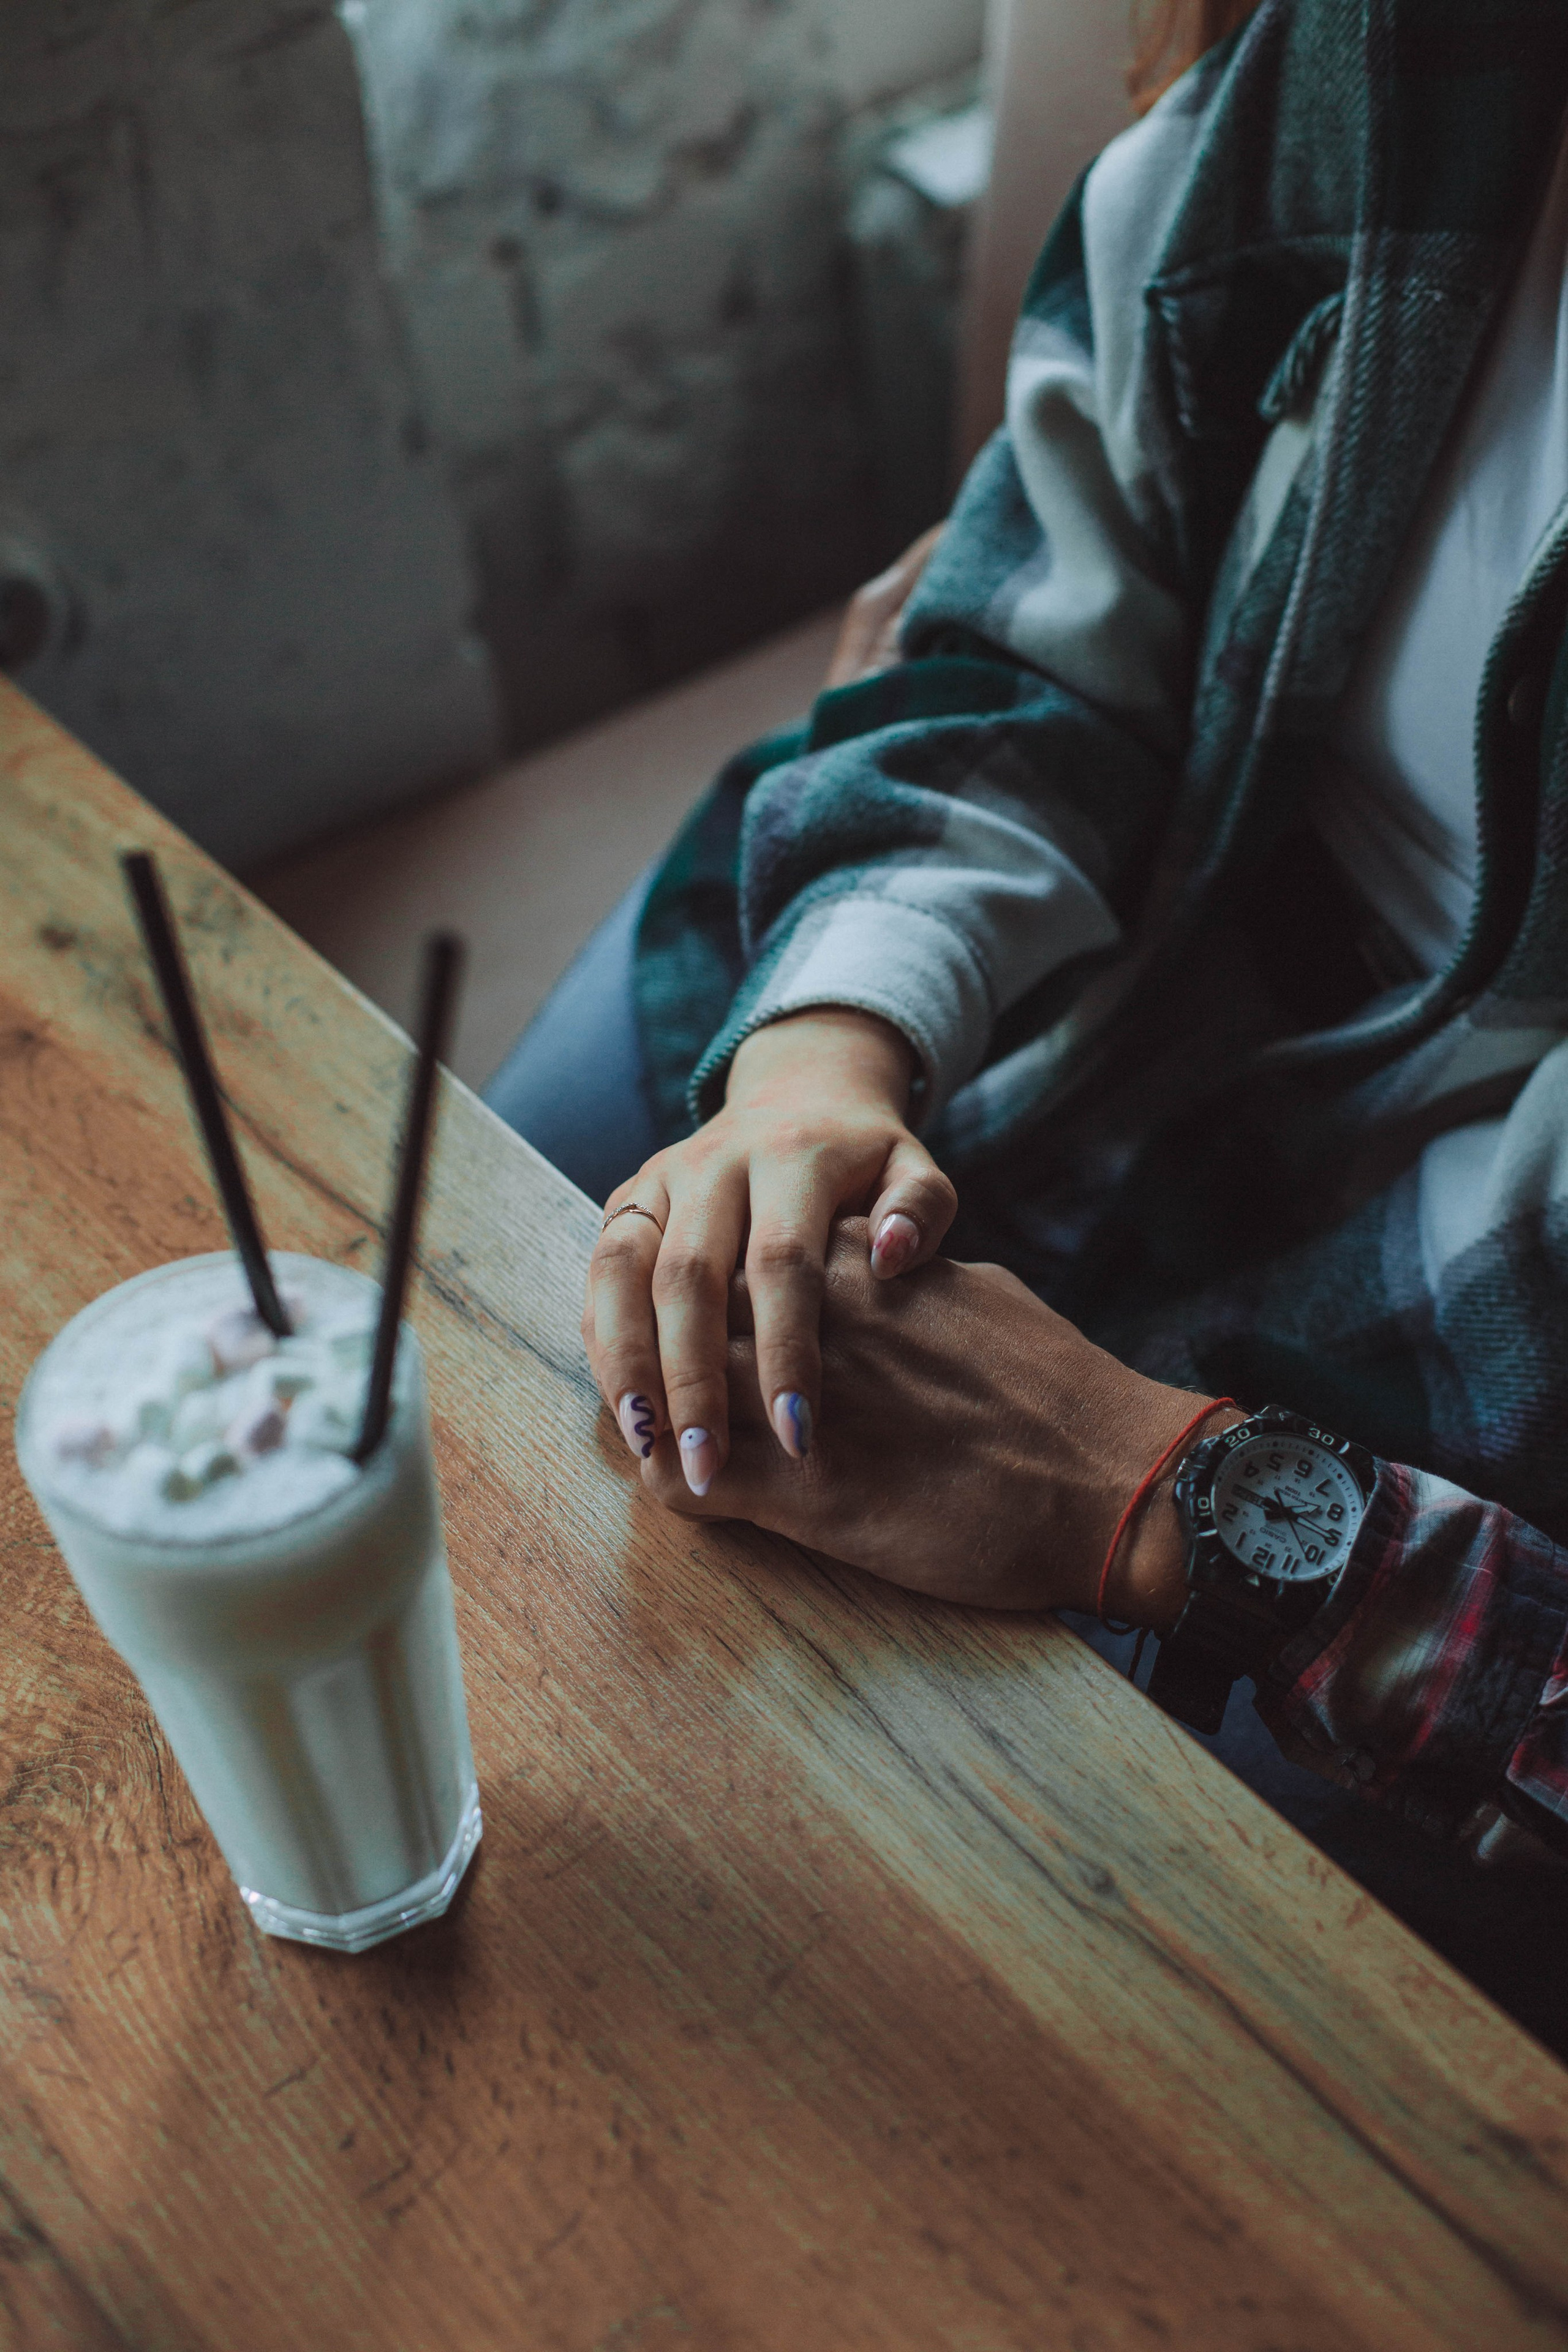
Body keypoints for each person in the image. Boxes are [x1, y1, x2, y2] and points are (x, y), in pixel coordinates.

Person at [487, 0, 1568, 2041]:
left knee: (1041, 1956)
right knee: (496, 1314)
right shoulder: (1382, 56)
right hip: (1048, 938)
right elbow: (1027, 629)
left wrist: (1156, 1482)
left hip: (1436, 1374)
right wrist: (823, 1051)